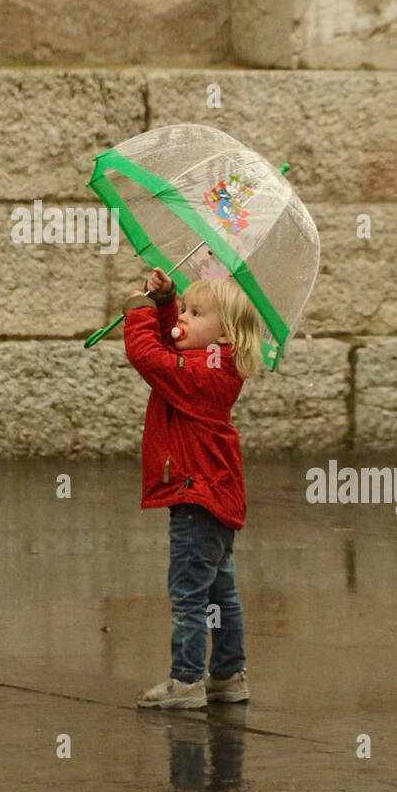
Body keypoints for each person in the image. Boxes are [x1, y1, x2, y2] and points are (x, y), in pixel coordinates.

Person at [120, 266, 262, 710]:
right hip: (215, 495)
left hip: (196, 497)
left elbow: (151, 357)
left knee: (188, 594)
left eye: (195, 313)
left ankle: (185, 682)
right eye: (186, 308)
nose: (184, 316)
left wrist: (137, 314)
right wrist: (164, 303)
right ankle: (227, 675)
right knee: (220, 591)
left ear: (225, 337)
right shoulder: (212, 365)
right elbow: (172, 345)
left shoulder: (201, 376)